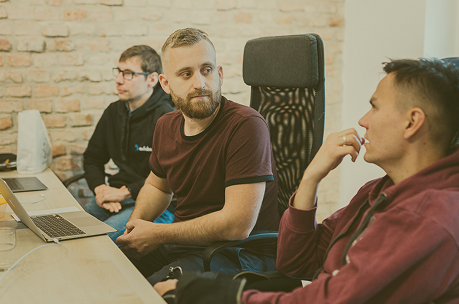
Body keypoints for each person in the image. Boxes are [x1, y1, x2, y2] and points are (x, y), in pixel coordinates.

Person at [154, 58, 459, 303]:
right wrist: (311, 177)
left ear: (412, 122)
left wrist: (225, 296)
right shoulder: (379, 190)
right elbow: (296, 263)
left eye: (375, 106)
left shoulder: (427, 218)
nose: (364, 120)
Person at [116, 28, 280, 284]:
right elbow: (157, 186)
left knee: (148, 293)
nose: (200, 83)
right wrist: (136, 226)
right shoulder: (165, 125)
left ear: (220, 74)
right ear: (166, 84)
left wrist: (159, 233)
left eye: (207, 70)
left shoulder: (246, 125)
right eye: (186, 73)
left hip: (240, 253)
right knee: (109, 272)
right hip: (186, 245)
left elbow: (237, 226)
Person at [83, 45, 175, 242]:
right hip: (117, 197)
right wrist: (100, 189)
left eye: (128, 74)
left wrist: (124, 193)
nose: (118, 80)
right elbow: (92, 157)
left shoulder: (167, 117)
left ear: (151, 79)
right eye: (118, 72)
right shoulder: (113, 112)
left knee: (105, 242)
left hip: (158, 204)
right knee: (74, 231)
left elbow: (172, 175)